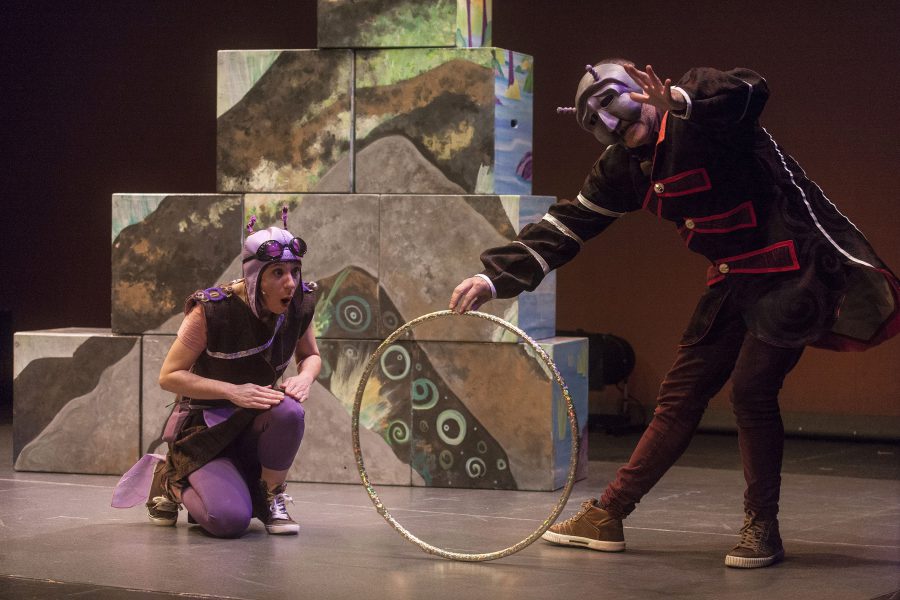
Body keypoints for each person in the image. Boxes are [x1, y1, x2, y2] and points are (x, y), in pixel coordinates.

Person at [449, 60, 899, 568]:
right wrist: (494, 278)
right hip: (735, 277)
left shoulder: (699, 112)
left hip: (797, 269)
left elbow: (749, 90)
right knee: (681, 394)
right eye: (596, 121)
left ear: (639, 88)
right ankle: (609, 513)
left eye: (613, 103)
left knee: (751, 390)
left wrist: (682, 103)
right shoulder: (622, 167)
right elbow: (569, 224)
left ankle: (762, 527)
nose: (613, 122)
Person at [113, 213, 321, 538]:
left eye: (294, 271)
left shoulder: (300, 304)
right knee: (229, 520)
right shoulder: (212, 311)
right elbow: (169, 376)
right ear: (255, 275)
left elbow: (310, 356)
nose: (290, 283)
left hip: (253, 423)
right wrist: (232, 391)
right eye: (278, 273)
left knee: (289, 411)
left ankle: (271, 496)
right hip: (205, 430)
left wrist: (305, 377)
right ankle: (170, 479)